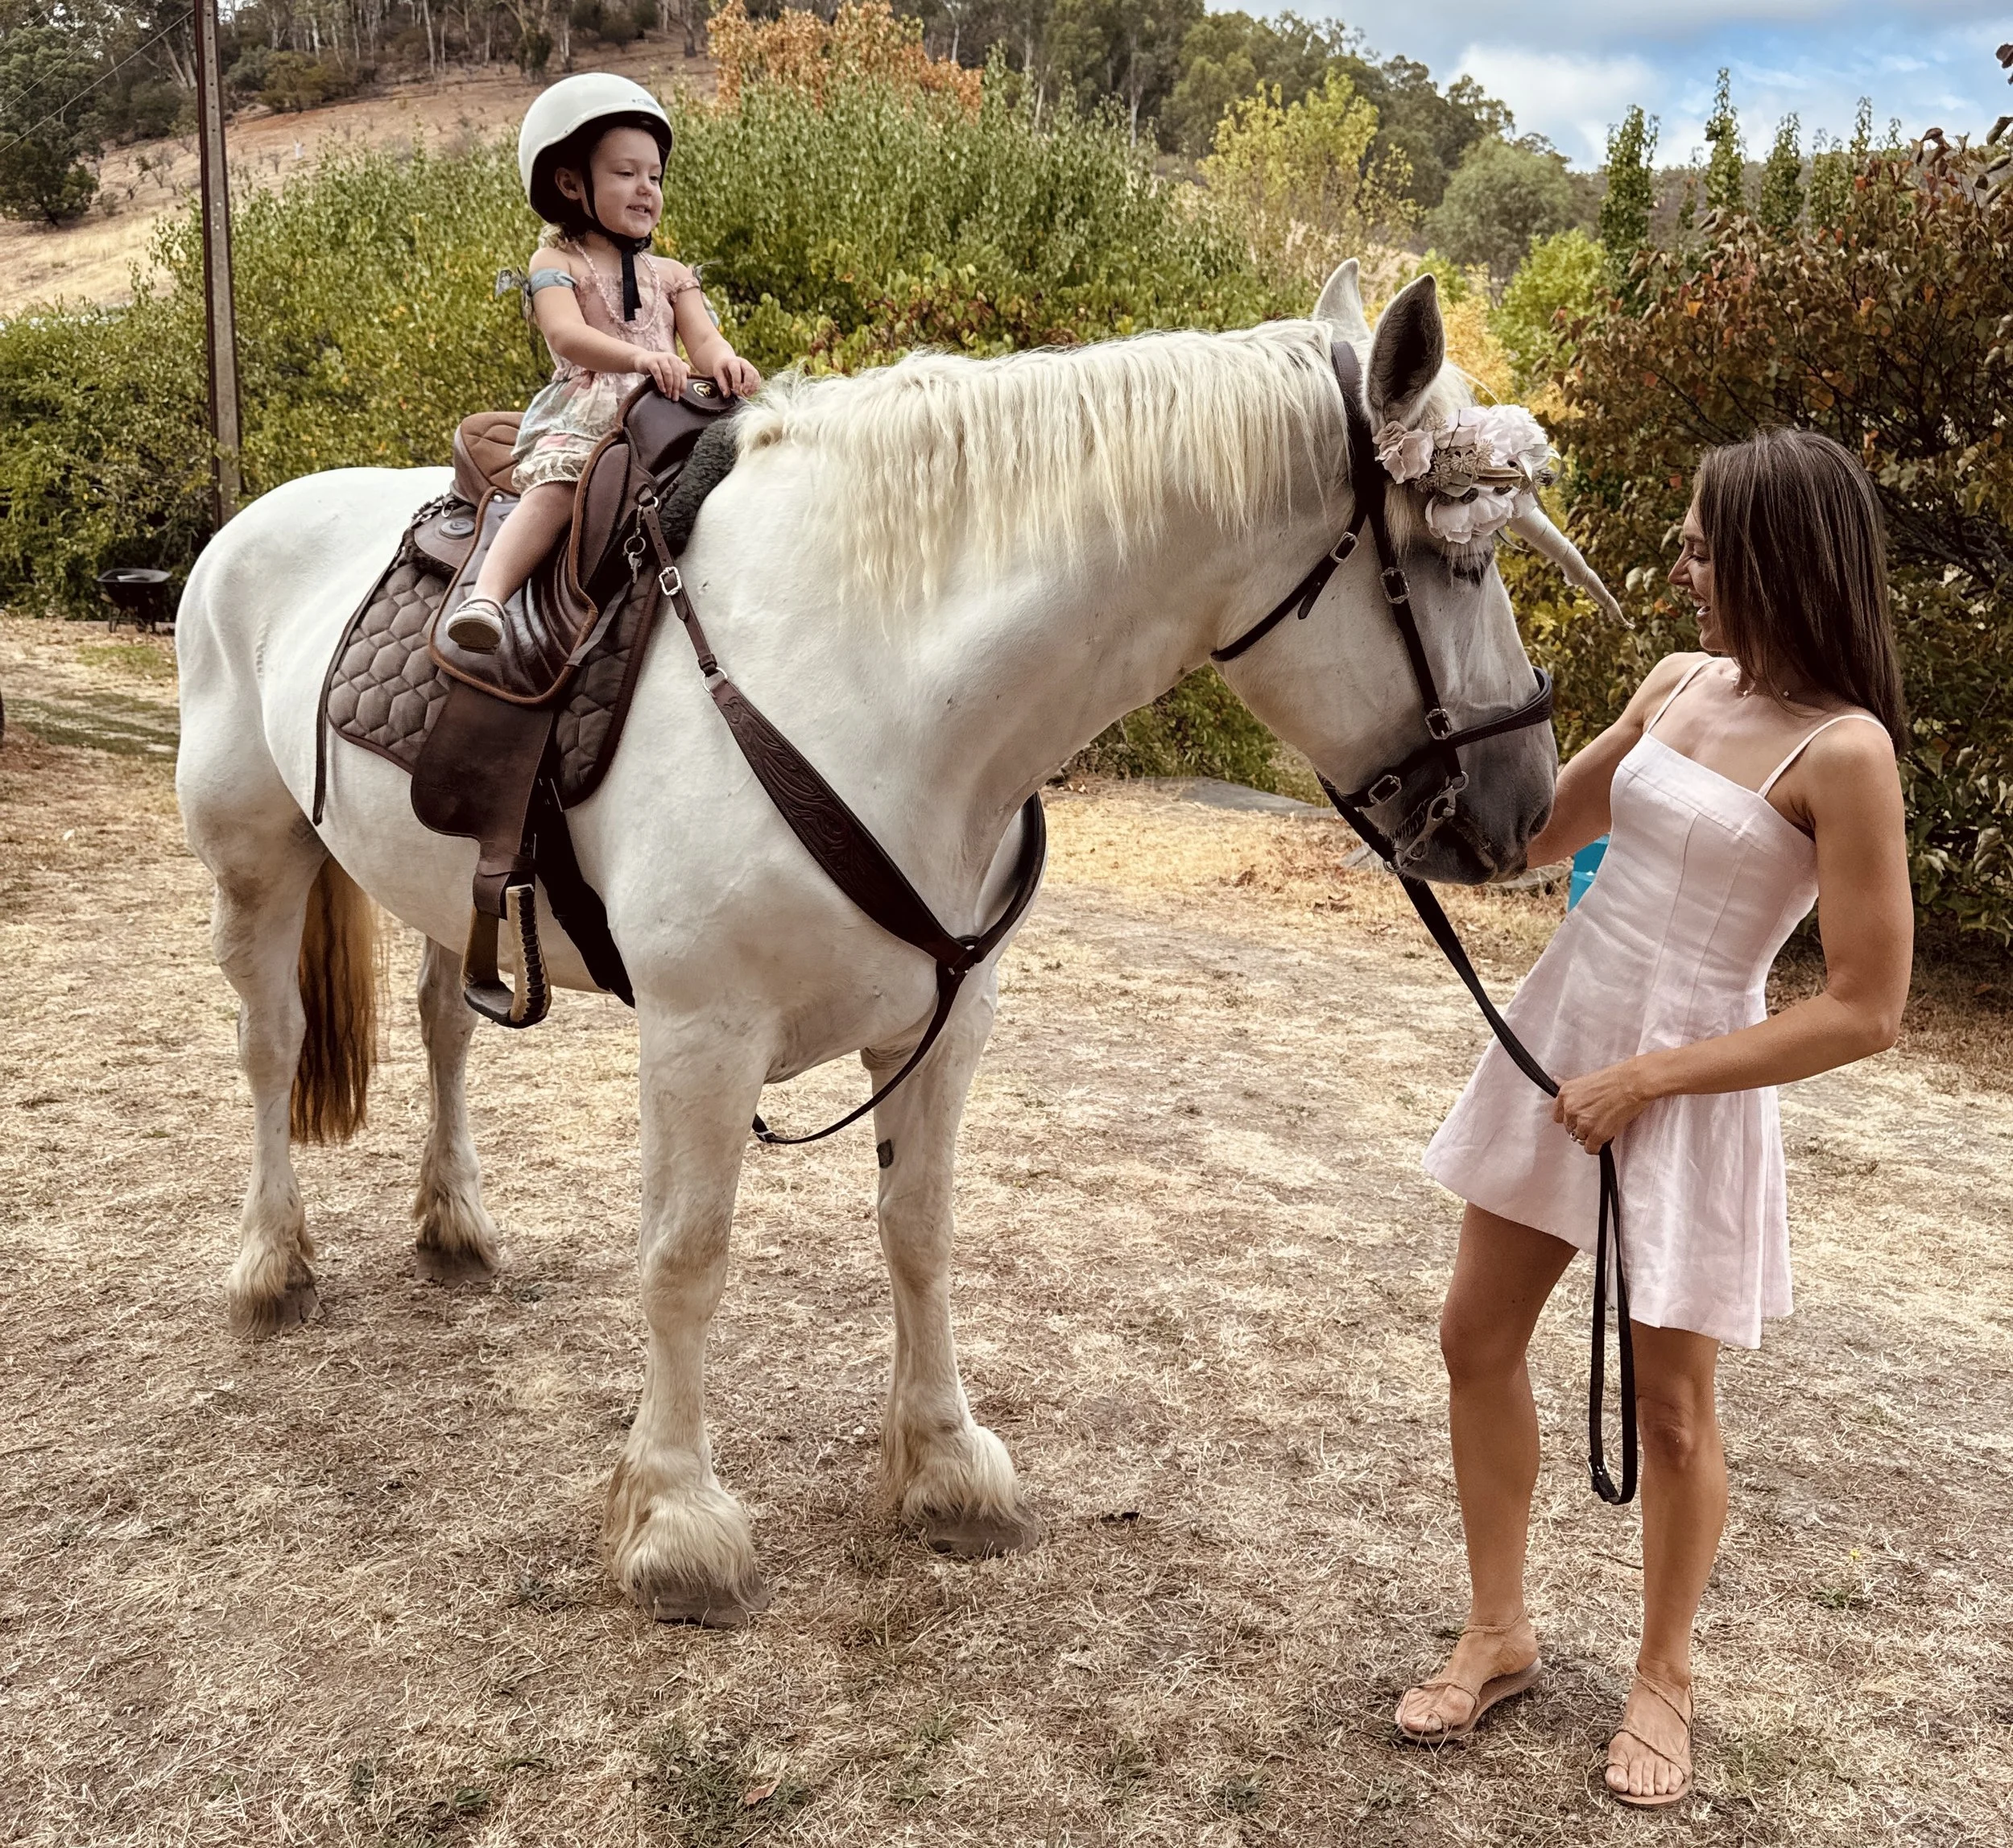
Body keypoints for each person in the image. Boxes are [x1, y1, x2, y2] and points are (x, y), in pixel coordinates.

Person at [1392, 428, 1914, 1807]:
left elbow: (1867, 1007)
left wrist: (1654, 1079)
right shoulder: (1678, 682)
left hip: (1691, 1080)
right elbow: (1534, 833)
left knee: (1672, 1411)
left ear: (1773, 559)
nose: (1681, 570)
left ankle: (1665, 1676)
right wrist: (1398, 791)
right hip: (1566, 1026)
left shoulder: (1845, 751)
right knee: (1473, 1336)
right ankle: (1499, 1629)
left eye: (1699, 548)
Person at [446, 74, 762, 653]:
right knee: (563, 487)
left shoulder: (671, 274)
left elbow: (704, 341)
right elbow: (566, 335)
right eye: (625, 173)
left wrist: (727, 362)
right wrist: (639, 355)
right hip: (590, 417)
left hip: (667, 414)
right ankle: (487, 596)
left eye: (654, 177)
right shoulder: (556, 260)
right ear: (571, 183)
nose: (646, 189)